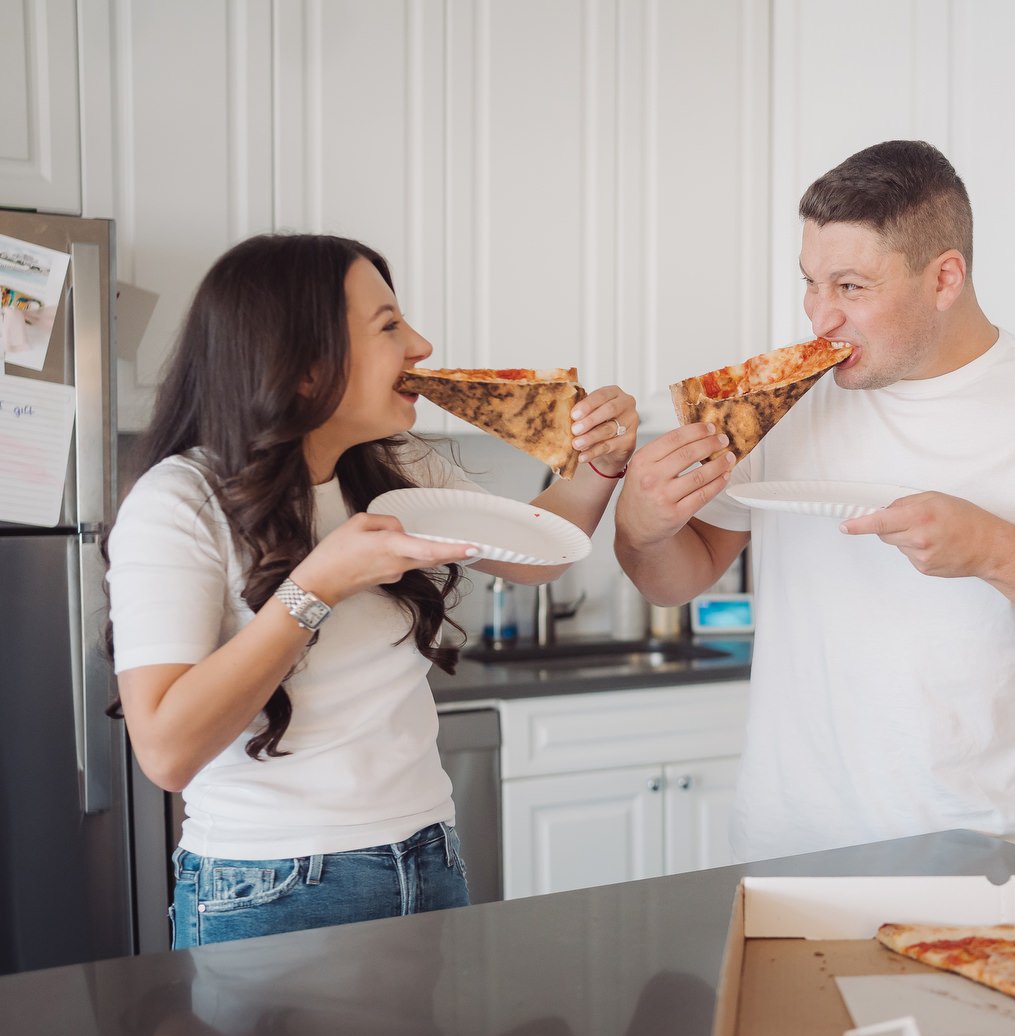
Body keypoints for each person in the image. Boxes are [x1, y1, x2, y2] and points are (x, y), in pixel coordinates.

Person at [615, 140, 1015, 862]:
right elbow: (681, 576)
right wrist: (642, 529)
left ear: (945, 277)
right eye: (811, 283)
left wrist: (993, 549)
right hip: (781, 854)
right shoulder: (788, 400)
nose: (819, 318)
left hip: (973, 867)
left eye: (852, 288)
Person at [109, 233, 638, 948]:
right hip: (272, 885)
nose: (421, 344)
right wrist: (318, 585)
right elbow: (167, 752)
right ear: (303, 366)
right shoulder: (180, 501)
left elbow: (537, 554)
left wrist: (601, 467)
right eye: (389, 325)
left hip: (429, 855)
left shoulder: (396, 466)